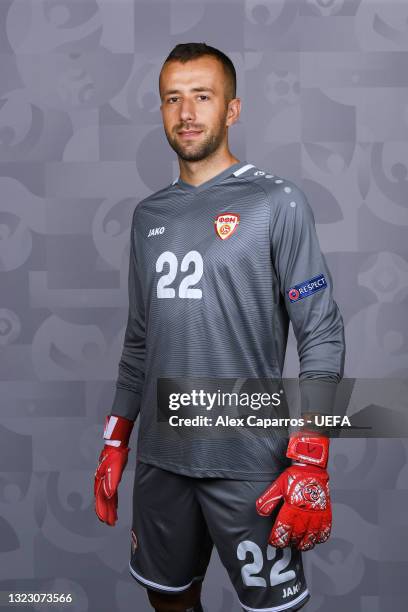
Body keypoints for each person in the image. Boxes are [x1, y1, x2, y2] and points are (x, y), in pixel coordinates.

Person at [94, 43, 345, 612]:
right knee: (170, 603)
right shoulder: (148, 216)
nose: (186, 113)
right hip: (161, 460)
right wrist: (116, 439)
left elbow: (322, 333)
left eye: (202, 97)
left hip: (248, 456)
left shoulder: (277, 202)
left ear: (231, 110)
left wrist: (312, 453)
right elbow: (139, 342)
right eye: (172, 99)